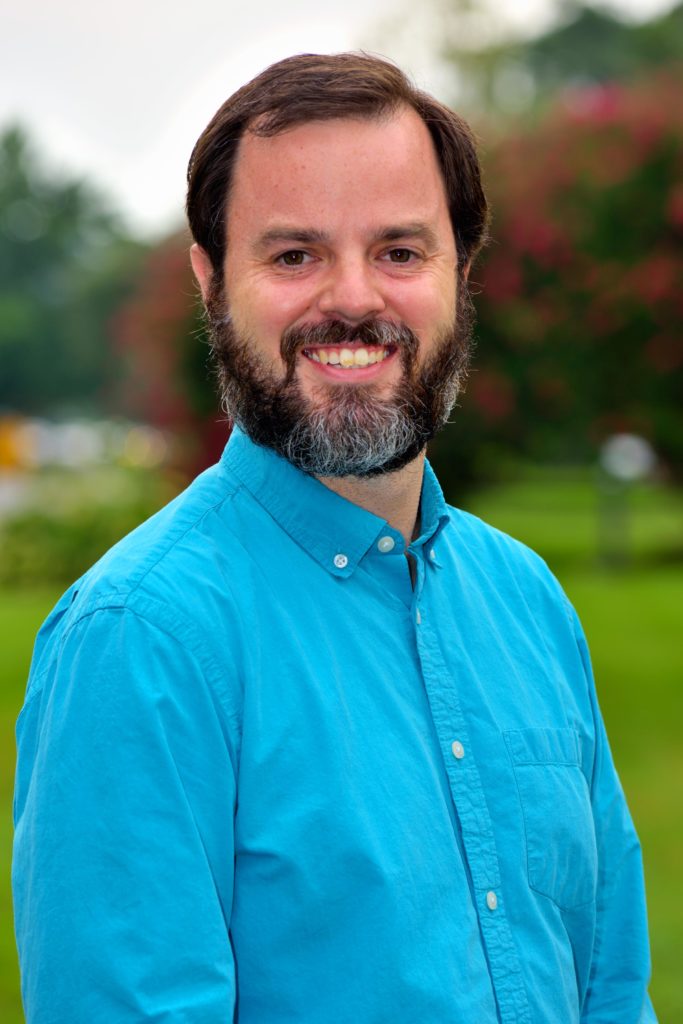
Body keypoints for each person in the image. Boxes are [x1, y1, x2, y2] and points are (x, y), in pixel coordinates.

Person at [12, 52, 656, 1023]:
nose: (352, 300)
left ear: (457, 273)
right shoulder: (138, 639)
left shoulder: (525, 599)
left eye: (399, 251)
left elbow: (608, 986)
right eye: (293, 255)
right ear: (211, 281)